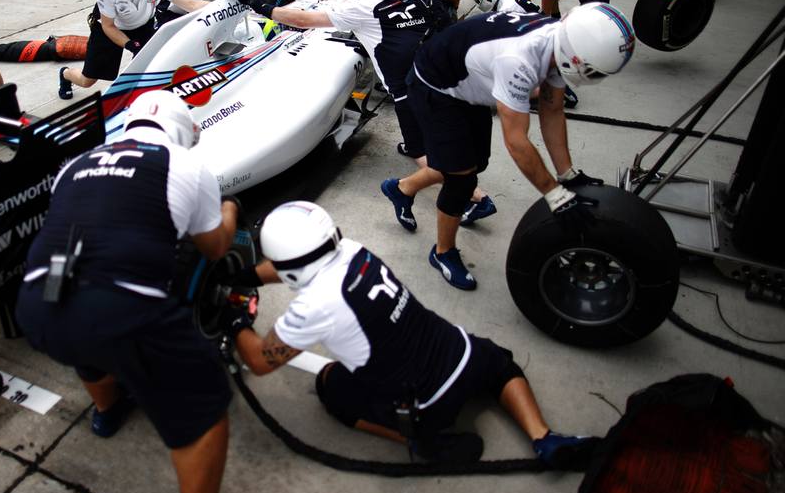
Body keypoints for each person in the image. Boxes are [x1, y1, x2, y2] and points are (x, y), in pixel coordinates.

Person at [15, 90, 260, 493]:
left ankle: (108, 411)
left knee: (86, 335)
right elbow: (215, 247)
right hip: (119, 310)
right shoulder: (186, 166)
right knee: (205, 404)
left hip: (37, 304)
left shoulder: (77, 164)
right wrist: (229, 208)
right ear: (181, 129)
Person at [222, 201, 598, 469]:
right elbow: (296, 264)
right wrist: (248, 275)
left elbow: (259, 361)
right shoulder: (352, 250)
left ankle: (417, 440)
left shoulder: (312, 306)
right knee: (498, 362)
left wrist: (236, 318)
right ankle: (544, 437)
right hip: (464, 355)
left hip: (424, 402)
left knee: (330, 385)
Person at [381, 3, 635, 290]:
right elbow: (516, 142)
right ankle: (442, 252)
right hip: (434, 85)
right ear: (577, 58)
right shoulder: (518, 61)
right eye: (595, 72)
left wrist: (567, 175)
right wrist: (555, 195)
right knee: (461, 180)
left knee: (473, 162)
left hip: (464, 79)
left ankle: (402, 189)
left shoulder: (557, 41)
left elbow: (552, 110)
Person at [239, 0, 456, 168]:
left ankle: (457, 184)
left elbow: (302, 20)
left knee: (425, 156)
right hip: (443, 73)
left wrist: (259, 5)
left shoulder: (360, 8)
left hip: (408, 91)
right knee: (450, 134)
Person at [59, 0, 210, 100]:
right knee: (87, 80)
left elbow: (191, 4)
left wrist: (224, 3)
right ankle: (65, 74)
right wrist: (130, 44)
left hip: (142, 25)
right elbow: (108, 26)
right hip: (109, 28)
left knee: (152, 66)